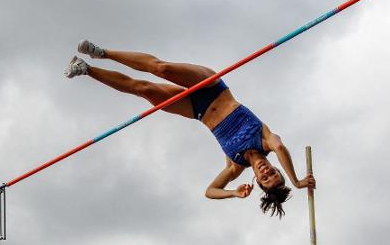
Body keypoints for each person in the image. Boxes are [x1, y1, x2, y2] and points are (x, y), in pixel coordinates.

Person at [64, 40, 316, 218]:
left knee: (142, 89)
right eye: (273, 172)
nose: (266, 171)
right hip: (214, 89)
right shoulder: (266, 140)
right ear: (275, 167)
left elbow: (209, 191)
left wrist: (233, 193)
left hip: (196, 110)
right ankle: (102, 52)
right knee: (161, 68)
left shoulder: (235, 165)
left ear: (257, 181)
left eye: (264, 178)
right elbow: (281, 147)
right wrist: (295, 181)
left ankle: (86, 69)